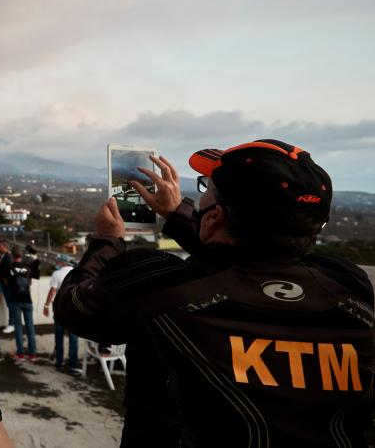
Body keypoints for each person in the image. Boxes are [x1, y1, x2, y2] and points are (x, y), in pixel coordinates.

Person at [56, 140, 375, 447]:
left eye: (207, 189)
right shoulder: (350, 287)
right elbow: (246, 261)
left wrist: (106, 241)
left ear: (215, 216)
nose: (202, 196)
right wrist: (178, 215)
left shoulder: (158, 283)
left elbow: (72, 306)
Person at [43, 263, 79, 373]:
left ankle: (60, 361)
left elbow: (53, 291)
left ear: (62, 263)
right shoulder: (77, 273)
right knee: (73, 338)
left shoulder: (57, 273)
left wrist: (46, 305)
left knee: (59, 335)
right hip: (73, 309)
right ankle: (73, 365)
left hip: (60, 308)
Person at [0, 241, 15, 334]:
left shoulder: (8, 256)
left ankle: (12, 324)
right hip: (2, 283)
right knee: (9, 304)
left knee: (10, 304)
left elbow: (9, 269)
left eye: (0, 245)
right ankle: (12, 323)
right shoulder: (2, 256)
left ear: (4, 246)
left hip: (7, 284)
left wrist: (6, 279)